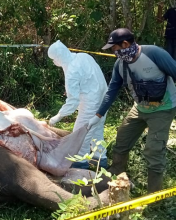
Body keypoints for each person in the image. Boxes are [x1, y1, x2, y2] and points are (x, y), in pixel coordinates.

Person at [88, 28, 176, 193]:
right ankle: (117, 179)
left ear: (125, 44)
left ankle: (153, 196)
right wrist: (98, 115)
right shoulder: (120, 64)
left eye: (114, 48)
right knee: (122, 140)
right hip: (140, 108)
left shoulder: (154, 54)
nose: (114, 52)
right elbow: (112, 90)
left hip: (163, 109)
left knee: (154, 150)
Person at [47, 40, 108, 169]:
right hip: (104, 96)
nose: (54, 62)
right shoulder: (83, 56)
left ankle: (80, 164)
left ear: (59, 57)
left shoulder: (71, 72)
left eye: (54, 59)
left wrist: (58, 117)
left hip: (91, 101)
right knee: (97, 129)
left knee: (81, 133)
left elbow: (73, 101)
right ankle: (100, 159)